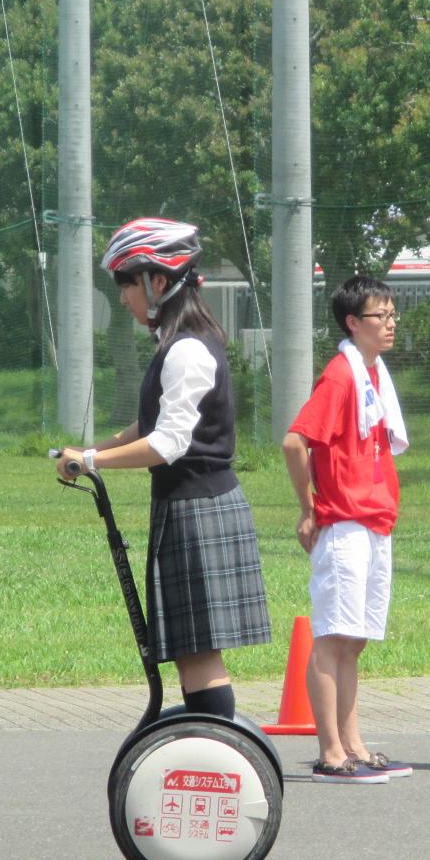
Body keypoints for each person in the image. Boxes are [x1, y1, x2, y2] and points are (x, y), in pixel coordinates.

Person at [56, 218, 270, 720]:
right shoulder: (179, 342)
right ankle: (211, 752)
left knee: (199, 653)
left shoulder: (188, 348)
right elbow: (153, 422)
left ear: (157, 281)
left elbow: (169, 442)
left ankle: (216, 757)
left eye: (128, 283)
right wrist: (93, 449)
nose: (124, 297)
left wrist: (92, 461)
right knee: (194, 653)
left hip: (200, 507)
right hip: (191, 505)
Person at [283, 275, 411, 785]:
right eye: (381, 317)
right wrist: (308, 508)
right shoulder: (341, 376)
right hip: (344, 521)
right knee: (333, 637)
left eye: (394, 315)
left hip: (375, 519)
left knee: (354, 639)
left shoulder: (373, 375)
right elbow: (296, 441)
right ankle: (331, 752)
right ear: (353, 323)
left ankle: (353, 742)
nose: (391, 325)